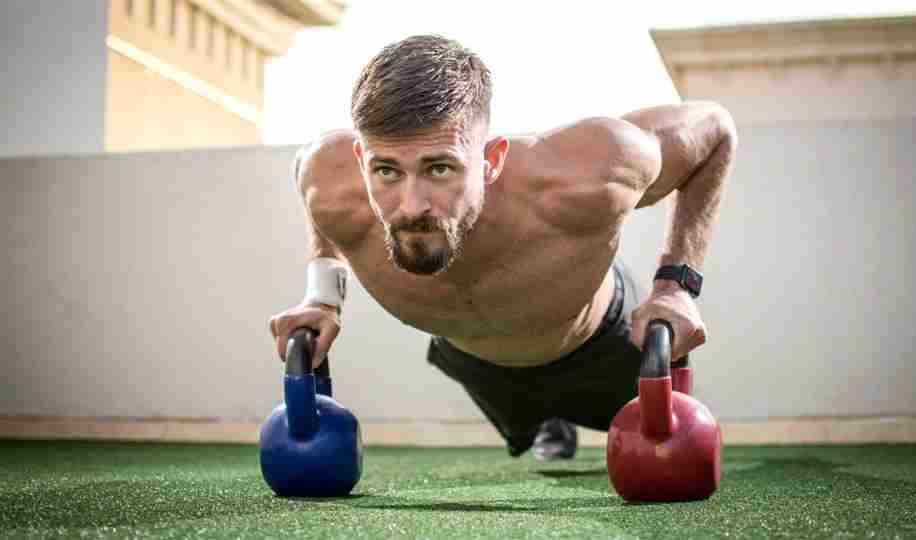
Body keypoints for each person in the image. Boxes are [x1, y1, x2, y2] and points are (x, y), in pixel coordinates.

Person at [268, 35, 737, 460]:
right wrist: (322, 297)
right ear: (360, 161)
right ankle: (546, 423)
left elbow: (714, 131)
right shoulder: (327, 177)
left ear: (490, 160)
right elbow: (319, 197)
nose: (412, 206)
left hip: (601, 348)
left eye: (439, 169)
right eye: (387, 171)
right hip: (477, 367)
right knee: (531, 437)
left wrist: (677, 285)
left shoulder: (589, 171)